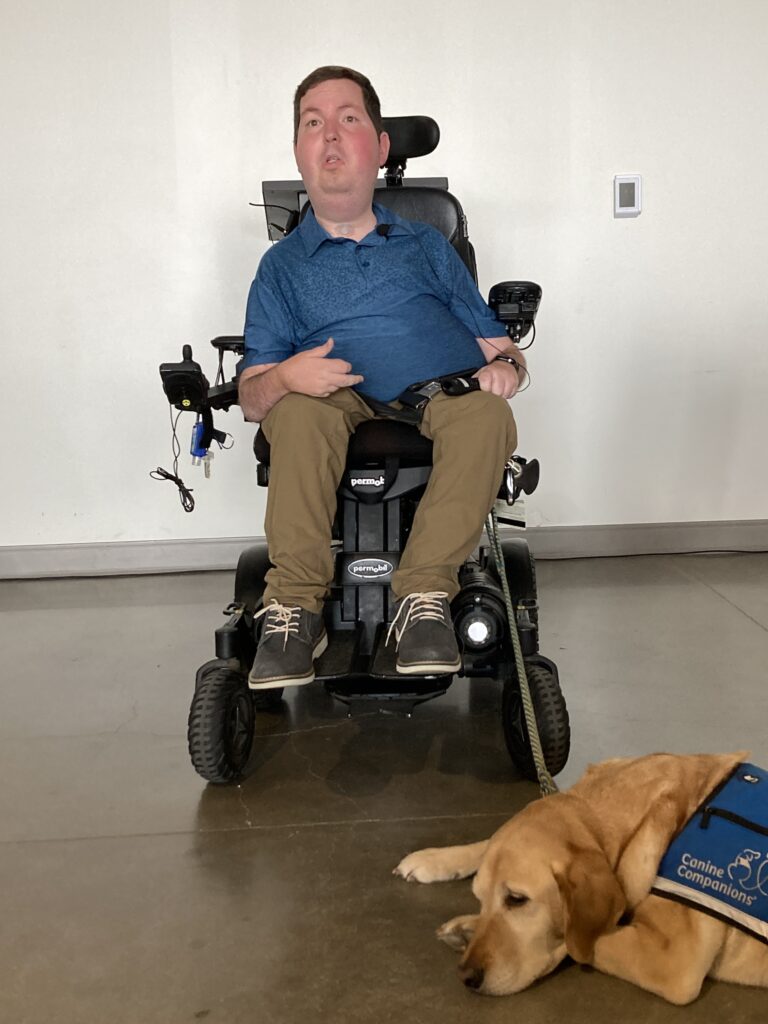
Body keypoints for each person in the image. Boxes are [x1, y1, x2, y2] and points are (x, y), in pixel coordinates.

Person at [239, 66, 526, 690]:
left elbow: (502, 350)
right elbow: (253, 400)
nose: (331, 136)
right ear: (298, 150)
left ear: (380, 146)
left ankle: (421, 598)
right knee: (296, 407)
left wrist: (507, 367)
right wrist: (285, 374)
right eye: (313, 123)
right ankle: (294, 609)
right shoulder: (280, 269)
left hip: (439, 395)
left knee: (488, 414)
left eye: (349, 119)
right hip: (331, 401)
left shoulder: (426, 245)